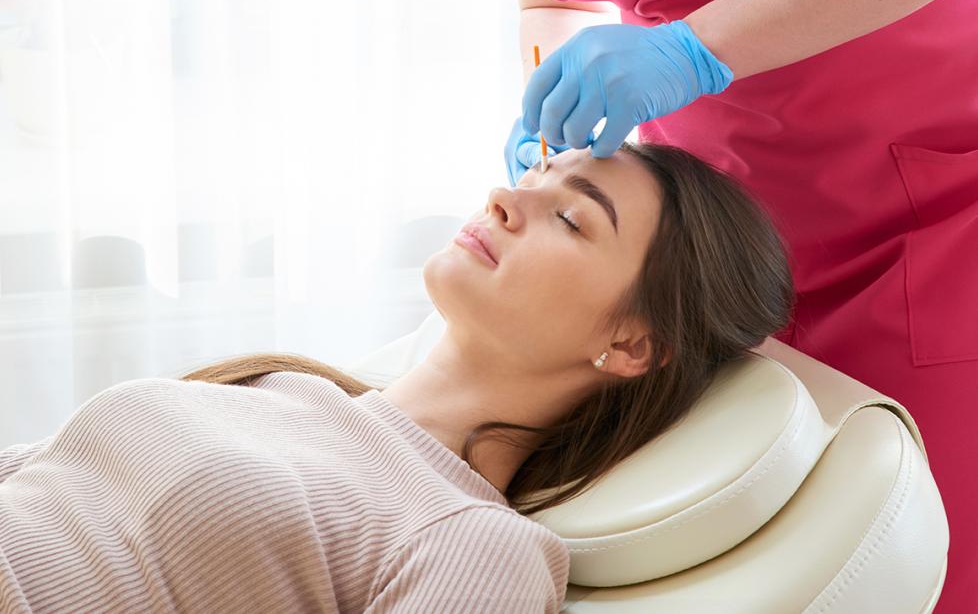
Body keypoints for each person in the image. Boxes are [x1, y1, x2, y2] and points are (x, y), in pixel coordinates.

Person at [0, 142, 793, 612]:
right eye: (535, 175)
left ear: (630, 345)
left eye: (572, 216)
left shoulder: (476, 545)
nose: (505, 198)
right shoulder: (286, 386)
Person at [502, 0, 978, 610]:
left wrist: (699, 48)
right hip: (717, 245)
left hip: (922, 209)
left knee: (922, 556)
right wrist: (561, 98)